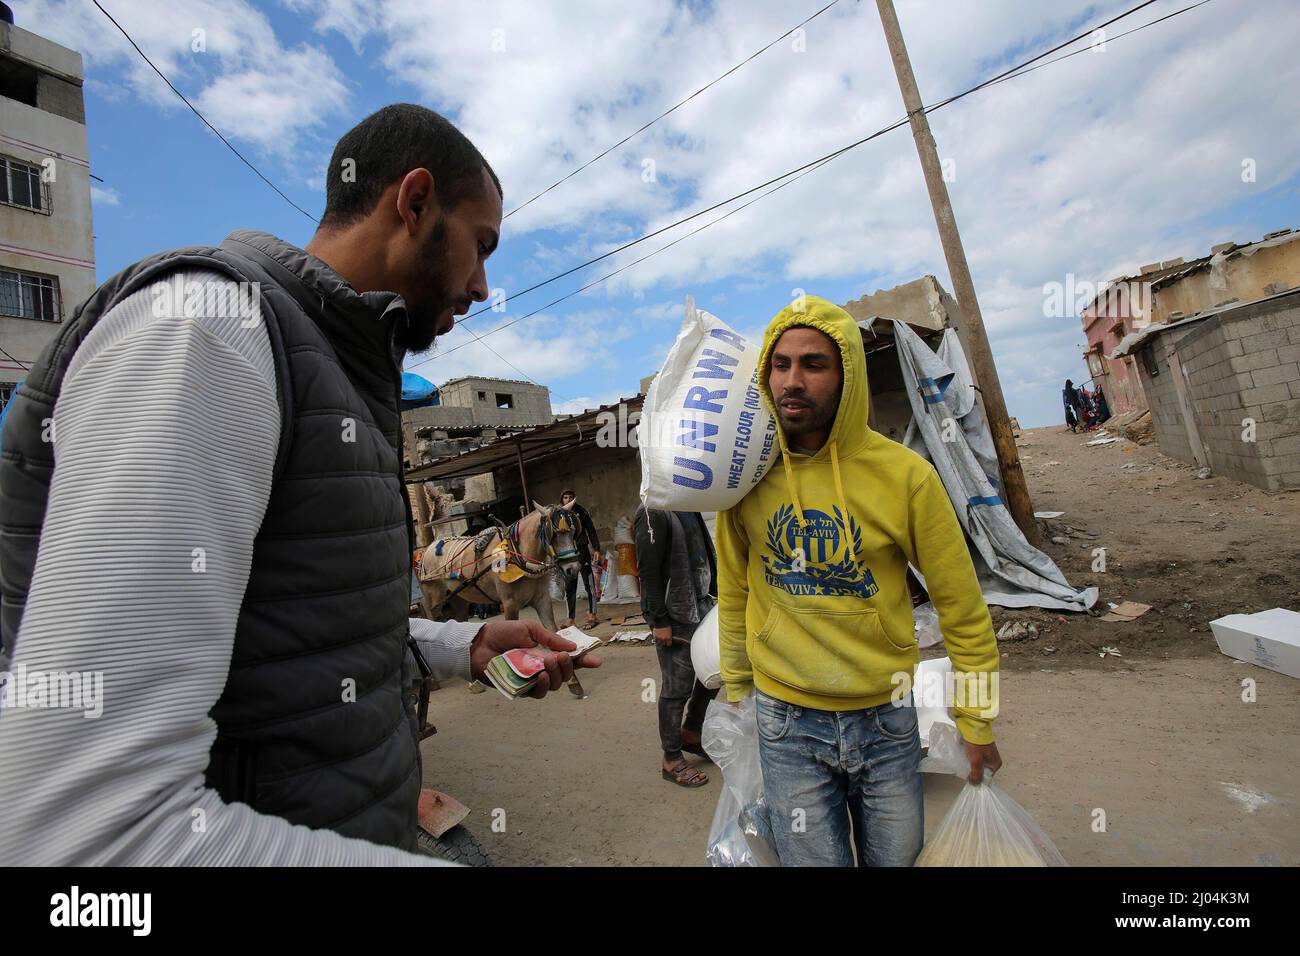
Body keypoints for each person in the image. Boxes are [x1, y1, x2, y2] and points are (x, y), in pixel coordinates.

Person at [0, 104, 599, 866]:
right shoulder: (206, 331)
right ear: (414, 203)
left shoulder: (338, 369)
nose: (483, 286)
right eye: (480, 246)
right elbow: (88, 832)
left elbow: (292, 634)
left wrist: (465, 643)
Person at [716, 296, 1001, 867]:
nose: (792, 381)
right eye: (781, 364)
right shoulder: (744, 478)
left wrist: (977, 719)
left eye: (814, 364)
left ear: (847, 375)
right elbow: (734, 589)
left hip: (888, 718)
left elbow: (962, 606)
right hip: (785, 722)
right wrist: (738, 689)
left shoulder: (905, 476)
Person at [634, 507, 717, 789]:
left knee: (713, 672)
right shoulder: (652, 512)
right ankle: (671, 757)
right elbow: (648, 571)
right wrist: (658, 620)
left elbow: (704, 552)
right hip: (676, 615)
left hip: (701, 606)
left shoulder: (689, 505)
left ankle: (692, 730)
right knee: (677, 688)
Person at [558, 489, 601, 630]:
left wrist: (596, 549)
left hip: (582, 553)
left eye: (570, 497)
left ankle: (592, 615)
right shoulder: (558, 514)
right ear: (562, 499)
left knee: (589, 584)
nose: (568, 499)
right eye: (565, 497)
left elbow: (591, 530)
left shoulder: (581, 512)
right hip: (568, 556)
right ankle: (570, 619)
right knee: (570, 586)